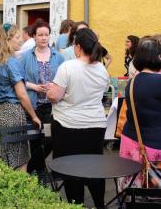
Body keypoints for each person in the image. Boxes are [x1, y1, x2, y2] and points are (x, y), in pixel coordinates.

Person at [47, 28, 109, 207]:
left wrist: (51, 89)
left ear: (78, 47)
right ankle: (99, 204)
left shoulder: (68, 67)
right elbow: (101, 92)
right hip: (96, 125)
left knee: (71, 169)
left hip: (68, 125)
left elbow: (54, 96)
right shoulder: (102, 69)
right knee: (95, 168)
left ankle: (77, 204)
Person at [119, 37, 161, 189]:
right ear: (156, 57)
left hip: (130, 140)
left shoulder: (132, 81)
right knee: (158, 193)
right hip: (154, 144)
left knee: (132, 190)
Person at [0, 23, 41, 172]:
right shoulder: (12, 62)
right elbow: (22, 94)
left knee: (6, 159)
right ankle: (18, 194)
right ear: (7, 40)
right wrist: (34, 115)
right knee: (20, 161)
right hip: (12, 114)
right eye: (17, 37)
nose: (21, 40)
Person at [20, 20, 64, 175]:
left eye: (46, 35)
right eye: (40, 35)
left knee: (50, 139)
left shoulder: (58, 56)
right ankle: (40, 171)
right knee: (34, 140)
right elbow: (19, 80)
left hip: (52, 106)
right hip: (32, 105)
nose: (44, 38)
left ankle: (31, 167)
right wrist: (34, 86)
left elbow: (64, 79)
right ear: (34, 36)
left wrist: (54, 85)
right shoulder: (25, 57)